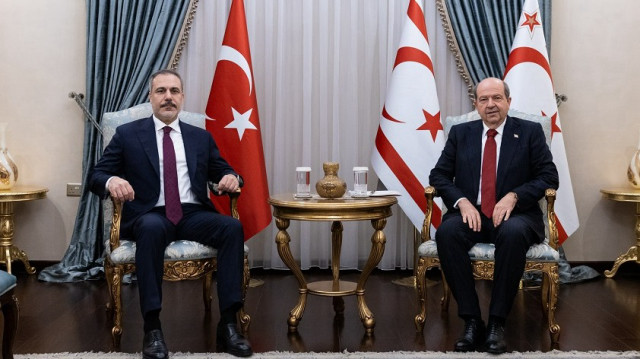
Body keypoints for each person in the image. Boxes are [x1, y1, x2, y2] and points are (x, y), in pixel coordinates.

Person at [89, 69, 252, 358]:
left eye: (174, 91)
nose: (168, 97)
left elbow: (224, 170)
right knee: (152, 228)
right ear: (150, 97)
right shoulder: (128, 135)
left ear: (182, 97)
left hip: (192, 212)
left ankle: (228, 324)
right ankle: (152, 329)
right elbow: (97, 175)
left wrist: (232, 178)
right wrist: (112, 181)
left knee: (232, 228)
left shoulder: (200, 137)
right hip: (149, 213)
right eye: (161, 91)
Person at [429, 77, 559, 354]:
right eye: (484, 99)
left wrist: (514, 196)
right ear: (476, 104)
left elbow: (549, 176)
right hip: (471, 213)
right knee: (447, 233)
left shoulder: (529, 132)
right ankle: (472, 320)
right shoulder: (461, 133)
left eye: (497, 98)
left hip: (517, 214)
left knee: (512, 234)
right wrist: (462, 202)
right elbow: (438, 175)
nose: (491, 105)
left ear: (508, 102)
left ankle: (497, 323)